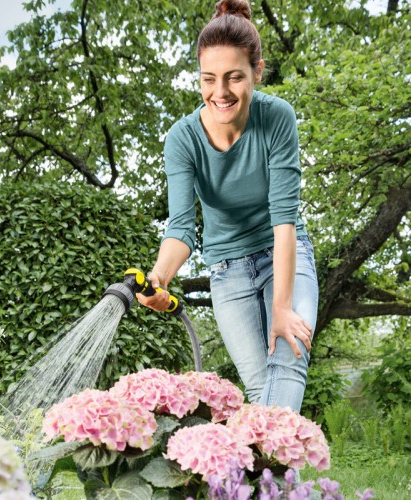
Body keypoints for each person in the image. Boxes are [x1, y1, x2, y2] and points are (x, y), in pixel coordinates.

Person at [137, 0, 318, 413]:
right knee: (259, 391)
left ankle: (252, 473)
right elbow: (182, 226)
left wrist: (282, 308)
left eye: (234, 77)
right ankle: (274, 477)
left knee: (288, 358)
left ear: (257, 70)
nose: (220, 93)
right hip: (226, 269)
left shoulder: (276, 118)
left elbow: (284, 218)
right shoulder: (182, 139)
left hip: (283, 254)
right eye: (208, 79)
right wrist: (159, 277)